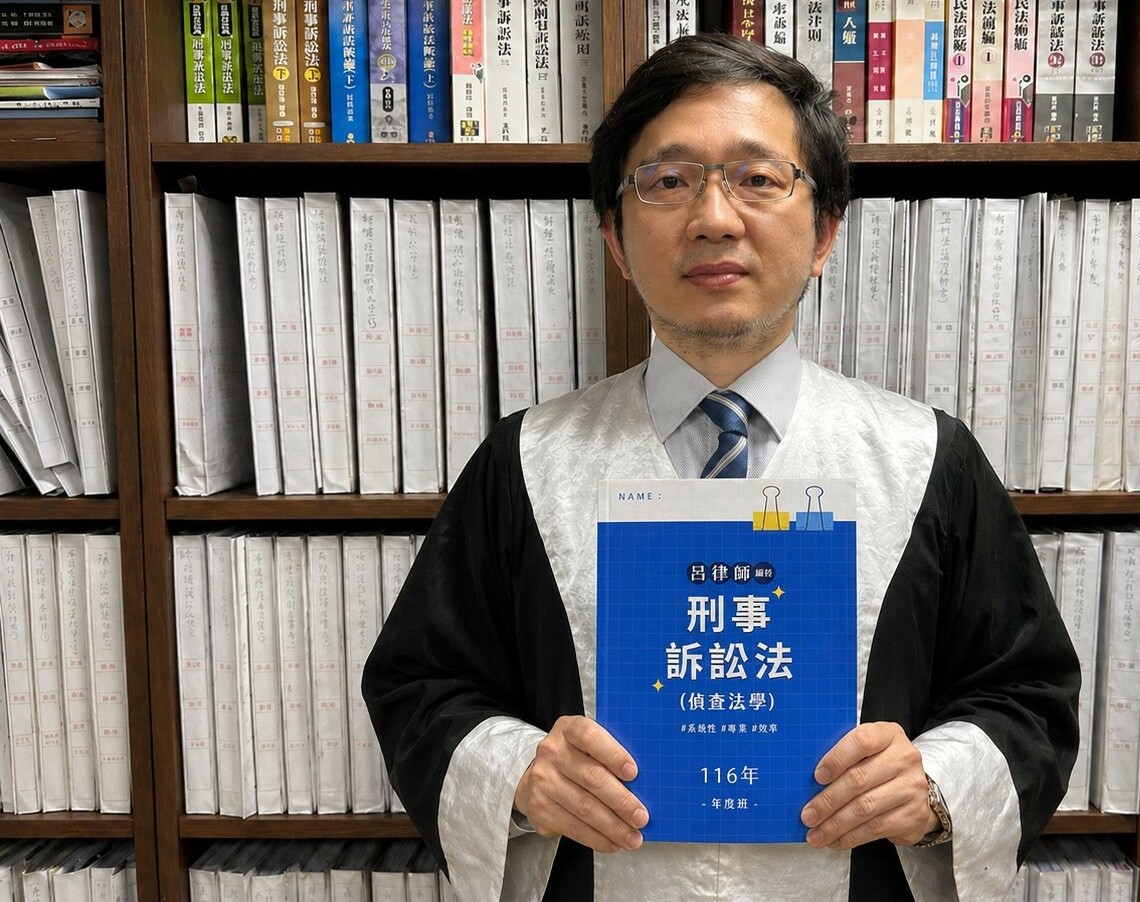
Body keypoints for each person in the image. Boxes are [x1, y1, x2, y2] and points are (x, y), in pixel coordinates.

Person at [363, 33, 1079, 901]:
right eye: (668, 180)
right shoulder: (525, 464)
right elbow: (420, 686)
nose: (714, 217)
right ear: (617, 242)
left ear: (824, 233)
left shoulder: (929, 460)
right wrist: (519, 772)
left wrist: (933, 785)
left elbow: (1028, 696)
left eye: (758, 178)